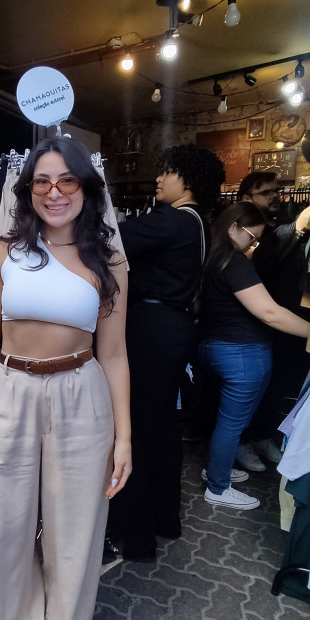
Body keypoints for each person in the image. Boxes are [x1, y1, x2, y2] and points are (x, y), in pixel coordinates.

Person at [0, 136, 131, 620]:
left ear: (86, 188)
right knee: (4, 527)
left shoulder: (108, 260)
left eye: (67, 180)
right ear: (28, 189)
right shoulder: (4, 251)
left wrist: (124, 436)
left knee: (74, 532)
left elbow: (115, 353)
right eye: (42, 180)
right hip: (9, 393)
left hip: (81, 395)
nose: (54, 192)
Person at [106, 143, 223, 560]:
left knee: (135, 430)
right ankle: (164, 520)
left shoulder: (171, 220)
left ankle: (134, 537)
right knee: (163, 429)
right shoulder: (199, 223)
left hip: (151, 331)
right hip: (173, 329)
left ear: (186, 181)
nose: (158, 178)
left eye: (167, 172)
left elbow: (111, 239)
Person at [197, 202, 310, 510]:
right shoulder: (235, 262)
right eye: (252, 237)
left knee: (224, 421)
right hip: (242, 354)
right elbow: (270, 313)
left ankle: (215, 469)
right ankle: (218, 487)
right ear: (233, 226)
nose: (253, 245)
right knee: (232, 424)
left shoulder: (210, 256)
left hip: (211, 346)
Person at [232, 172, 310, 473]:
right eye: (266, 192)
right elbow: (267, 261)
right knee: (253, 390)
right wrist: (298, 228)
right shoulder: (249, 241)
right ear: (246, 199)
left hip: (288, 320)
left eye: (276, 191)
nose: (275, 196)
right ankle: (242, 440)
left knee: (279, 385)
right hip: (258, 325)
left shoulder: (277, 231)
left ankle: (262, 436)